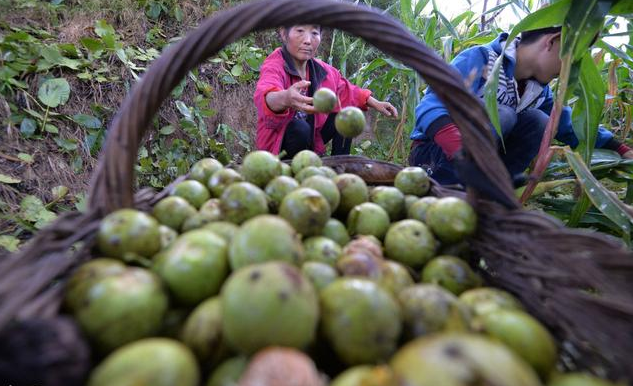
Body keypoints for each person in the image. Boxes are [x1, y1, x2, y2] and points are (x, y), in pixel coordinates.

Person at [409, 26, 633, 185]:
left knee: (540, 121)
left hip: (481, 166)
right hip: (435, 156)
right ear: (552, 41)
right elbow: (430, 106)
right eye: (572, 59)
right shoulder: (481, 59)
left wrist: (618, 148)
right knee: (503, 114)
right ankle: (450, 185)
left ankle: (494, 188)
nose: (571, 70)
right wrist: (461, 152)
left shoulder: (538, 91)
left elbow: (566, 124)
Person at [254, 24, 398, 158]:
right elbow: (265, 94)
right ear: (284, 33)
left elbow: (346, 90)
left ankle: (340, 165)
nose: (308, 40)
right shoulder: (275, 65)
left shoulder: (322, 70)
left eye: (314, 33)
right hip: (279, 147)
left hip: (310, 139)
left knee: (347, 115)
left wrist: (374, 102)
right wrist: (285, 98)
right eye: (300, 31)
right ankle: (292, 173)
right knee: (300, 128)